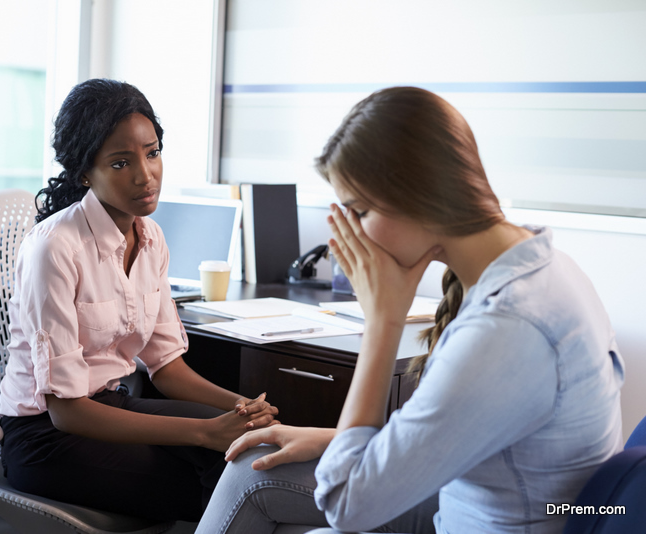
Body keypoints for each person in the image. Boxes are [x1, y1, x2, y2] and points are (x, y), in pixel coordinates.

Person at [195, 86, 624, 534]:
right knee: (254, 467)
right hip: (474, 500)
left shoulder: (506, 330)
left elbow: (347, 505)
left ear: (417, 195)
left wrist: (383, 321)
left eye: (359, 212)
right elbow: (457, 435)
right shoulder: (542, 262)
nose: (350, 237)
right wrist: (333, 439)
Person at [0, 79, 277, 522]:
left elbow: (167, 368)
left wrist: (241, 407)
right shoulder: (54, 248)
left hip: (111, 407)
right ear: (86, 172)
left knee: (255, 447)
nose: (145, 175)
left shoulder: (151, 238)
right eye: (121, 162)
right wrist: (205, 432)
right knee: (228, 478)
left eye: (152, 152)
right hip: (45, 437)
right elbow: (67, 412)